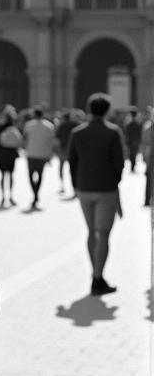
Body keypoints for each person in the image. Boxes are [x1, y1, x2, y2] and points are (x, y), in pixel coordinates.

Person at [67, 93, 126, 297]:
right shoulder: (113, 132)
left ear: (90, 109)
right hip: (106, 189)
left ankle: (95, 273)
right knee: (104, 234)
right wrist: (114, 182)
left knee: (91, 232)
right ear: (107, 110)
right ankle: (98, 277)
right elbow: (119, 163)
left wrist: (76, 185)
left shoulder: (77, 132)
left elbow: (71, 161)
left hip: (84, 187)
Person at [22, 105, 56, 211]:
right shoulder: (49, 126)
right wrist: (50, 155)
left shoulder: (28, 125)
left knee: (31, 176)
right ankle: (36, 194)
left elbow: (25, 139)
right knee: (40, 175)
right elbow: (51, 142)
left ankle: (35, 194)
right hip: (43, 154)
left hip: (31, 153)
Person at [0, 107, 22, 208]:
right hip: (11, 153)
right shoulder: (14, 127)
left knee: (2, 175)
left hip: (2, 153)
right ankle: (10, 196)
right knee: (11, 175)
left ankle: (2, 196)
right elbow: (19, 141)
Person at [54, 108, 81, 196]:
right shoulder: (76, 124)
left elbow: (57, 138)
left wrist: (56, 149)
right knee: (73, 169)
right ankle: (75, 188)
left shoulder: (62, 126)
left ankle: (62, 186)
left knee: (61, 168)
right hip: (74, 150)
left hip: (63, 149)